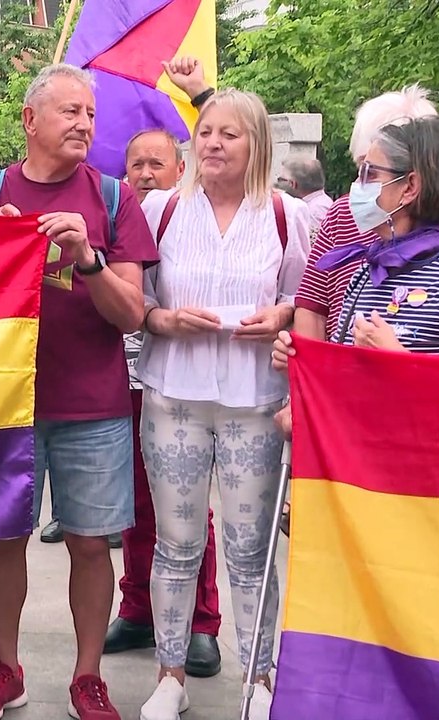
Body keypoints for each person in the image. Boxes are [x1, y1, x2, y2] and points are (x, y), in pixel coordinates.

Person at [0, 64, 158, 720]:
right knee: (4, 537)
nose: (84, 124)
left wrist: (88, 259)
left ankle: (87, 676)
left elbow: (132, 314)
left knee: (90, 542)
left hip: (92, 404)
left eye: (91, 115)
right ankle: (6, 668)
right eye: (70, 111)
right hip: (4, 403)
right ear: (29, 119)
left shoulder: (112, 195)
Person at [134, 89, 311, 720]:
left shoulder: (288, 216)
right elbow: (139, 303)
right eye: (205, 131)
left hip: (254, 400)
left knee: (250, 548)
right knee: (176, 545)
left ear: (256, 144)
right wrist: (163, 319)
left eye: (229, 134)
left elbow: (306, 300)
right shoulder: (160, 208)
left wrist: (283, 315)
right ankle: (169, 674)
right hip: (173, 396)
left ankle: (259, 678)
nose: (212, 143)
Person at [103, 128, 223, 678]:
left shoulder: (190, 219)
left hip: (177, 383)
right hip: (119, 382)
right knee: (132, 507)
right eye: (136, 164)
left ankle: (201, 622)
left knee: (188, 507)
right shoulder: (116, 215)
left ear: (180, 169)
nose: (145, 173)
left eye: (157, 163)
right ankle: (138, 610)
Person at [275, 117, 439, 403]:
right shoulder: (369, 268)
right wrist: (302, 361)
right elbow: (347, 375)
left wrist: (401, 361)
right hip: (361, 443)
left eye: (369, 174)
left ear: (409, 186)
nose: (356, 186)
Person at [276, 156, 332, 234]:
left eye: (281, 179)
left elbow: (311, 244)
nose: (278, 183)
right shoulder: (322, 202)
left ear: (293, 184)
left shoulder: (313, 212)